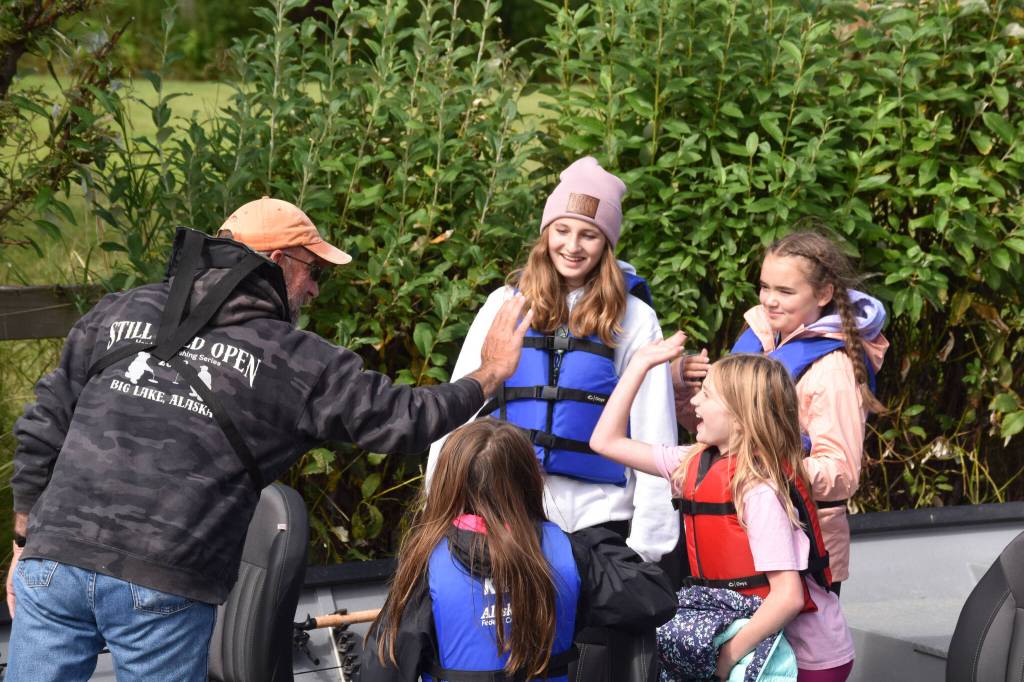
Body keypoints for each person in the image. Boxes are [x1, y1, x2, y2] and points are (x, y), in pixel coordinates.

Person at [4, 196, 532, 682]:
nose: (316, 289)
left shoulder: (118, 310)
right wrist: (490, 372)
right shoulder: (295, 360)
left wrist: (25, 540)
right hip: (162, 579)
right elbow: (407, 419)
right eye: (314, 271)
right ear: (278, 261)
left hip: (53, 564)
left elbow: (42, 426)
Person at [426, 156, 678, 565]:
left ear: (607, 244)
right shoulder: (503, 305)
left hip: (598, 520)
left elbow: (654, 430)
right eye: (562, 230)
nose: (573, 246)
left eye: (589, 235)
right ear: (545, 235)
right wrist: (435, 499)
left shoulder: (635, 318)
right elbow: (460, 405)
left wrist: (649, 546)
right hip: (505, 509)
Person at [591, 346, 856, 681]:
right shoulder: (694, 463)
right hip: (753, 645)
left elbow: (788, 597)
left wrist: (725, 659)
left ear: (741, 416)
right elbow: (605, 441)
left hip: (805, 657)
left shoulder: (758, 490)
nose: (695, 402)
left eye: (707, 394)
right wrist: (640, 365)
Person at [362, 418, 677, 682]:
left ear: (449, 483)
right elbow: (656, 598)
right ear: (529, 481)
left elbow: (380, 672)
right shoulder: (569, 553)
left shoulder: (426, 562)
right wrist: (593, 537)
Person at [673, 230, 888, 589]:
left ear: (823, 294)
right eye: (765, 287)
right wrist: (681, 391)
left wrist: (758, 469)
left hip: (801, 548)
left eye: (785, 292)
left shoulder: (833, 369)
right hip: (737, 537)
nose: (770, 301)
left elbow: (841, 473)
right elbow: (718, 433)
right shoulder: (759, 337)